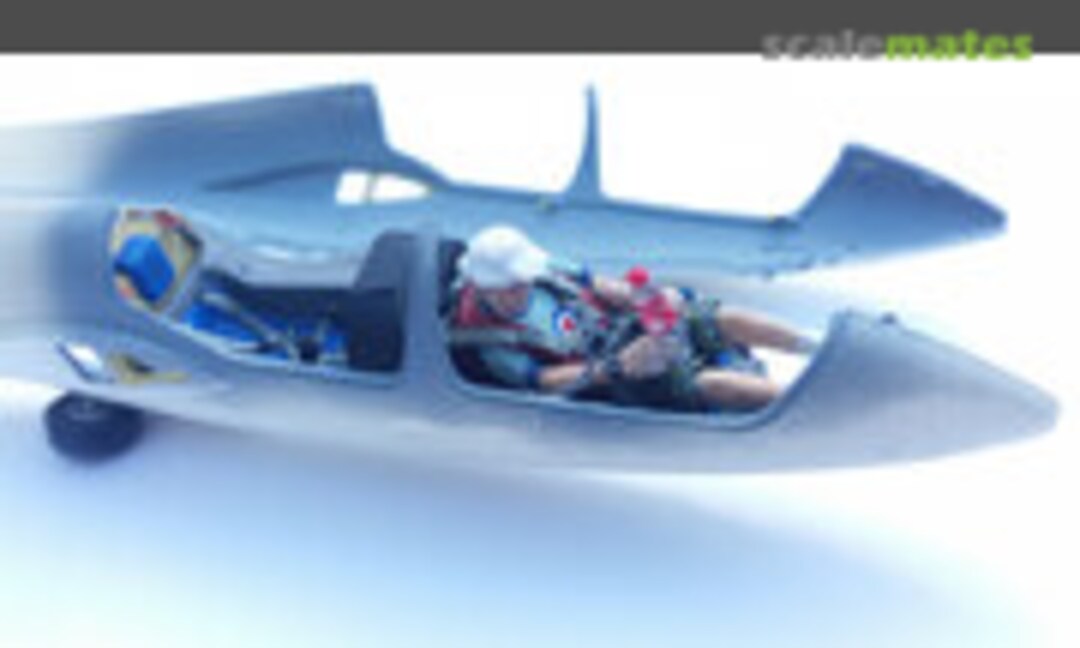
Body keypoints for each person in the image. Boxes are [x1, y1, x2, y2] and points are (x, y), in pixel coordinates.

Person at [447, 225, 816, 411]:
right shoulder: (491, 343)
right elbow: (544, 382)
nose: (523, 289)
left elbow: (597, 284)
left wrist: (642, 297)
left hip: (627, 327)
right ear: (485, 288)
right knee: (710, 384)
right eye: (512, 287)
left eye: (525, 281)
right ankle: (803, 403)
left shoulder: (541, 268)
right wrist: (617, 367)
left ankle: (812, 346)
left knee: (718, 318)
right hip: (615, 373)